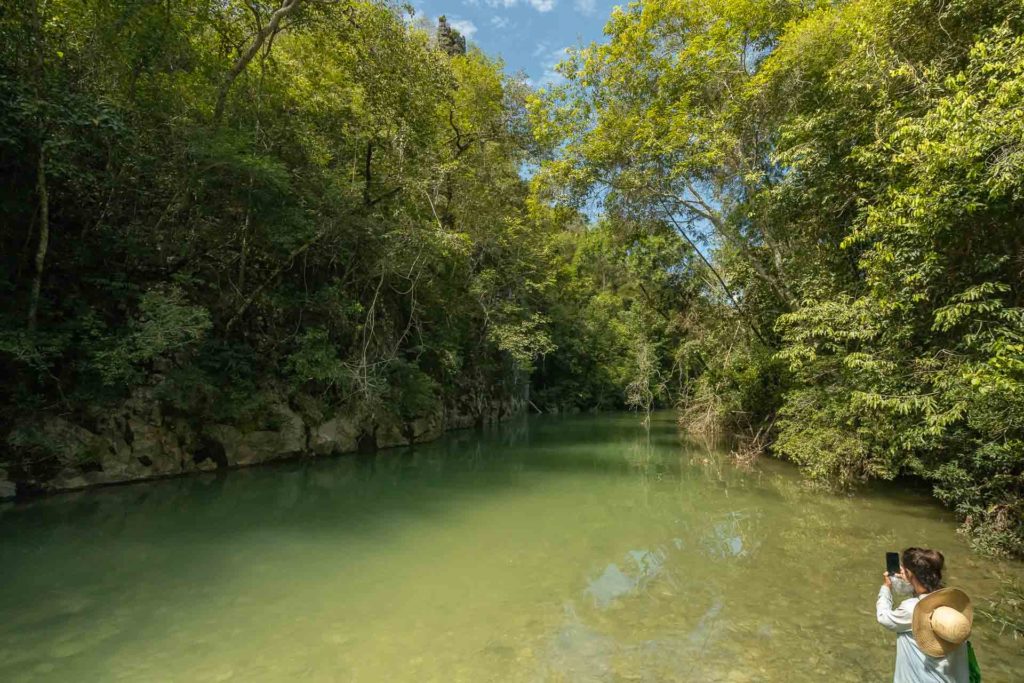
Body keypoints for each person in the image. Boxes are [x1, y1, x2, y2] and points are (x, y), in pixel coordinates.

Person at [875, 547, 974, 682]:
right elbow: (924, 595)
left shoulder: (912, 609)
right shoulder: (952, 606)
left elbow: (883, 617)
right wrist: (909, 581)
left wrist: (886, 587)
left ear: (909, 573)